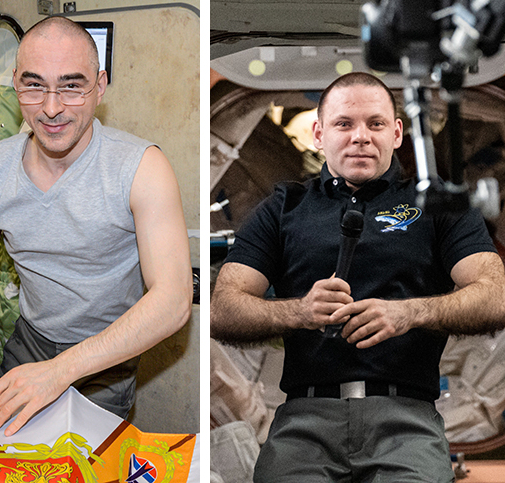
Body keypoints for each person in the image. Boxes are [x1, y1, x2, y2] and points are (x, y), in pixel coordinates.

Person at [211, 72, 505, 482]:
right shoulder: (283, 208)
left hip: (407, 424)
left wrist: (409, 313)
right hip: (303, 424)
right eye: (344, 124)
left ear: (398, 133)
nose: (361, 136)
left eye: (376, 123)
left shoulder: (439, 205)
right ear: (319, 133)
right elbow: (223, 309)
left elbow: (495, 295)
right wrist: (300, 312)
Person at [0, 16, 192, 436]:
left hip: (106, 355)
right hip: (29, 341)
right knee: (4, 455)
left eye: (71, 86)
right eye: (35, 84)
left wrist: (60, 371)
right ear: (15, 83)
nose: (51, 107)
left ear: (100, 85)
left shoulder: (140, 168)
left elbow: (173, 299)